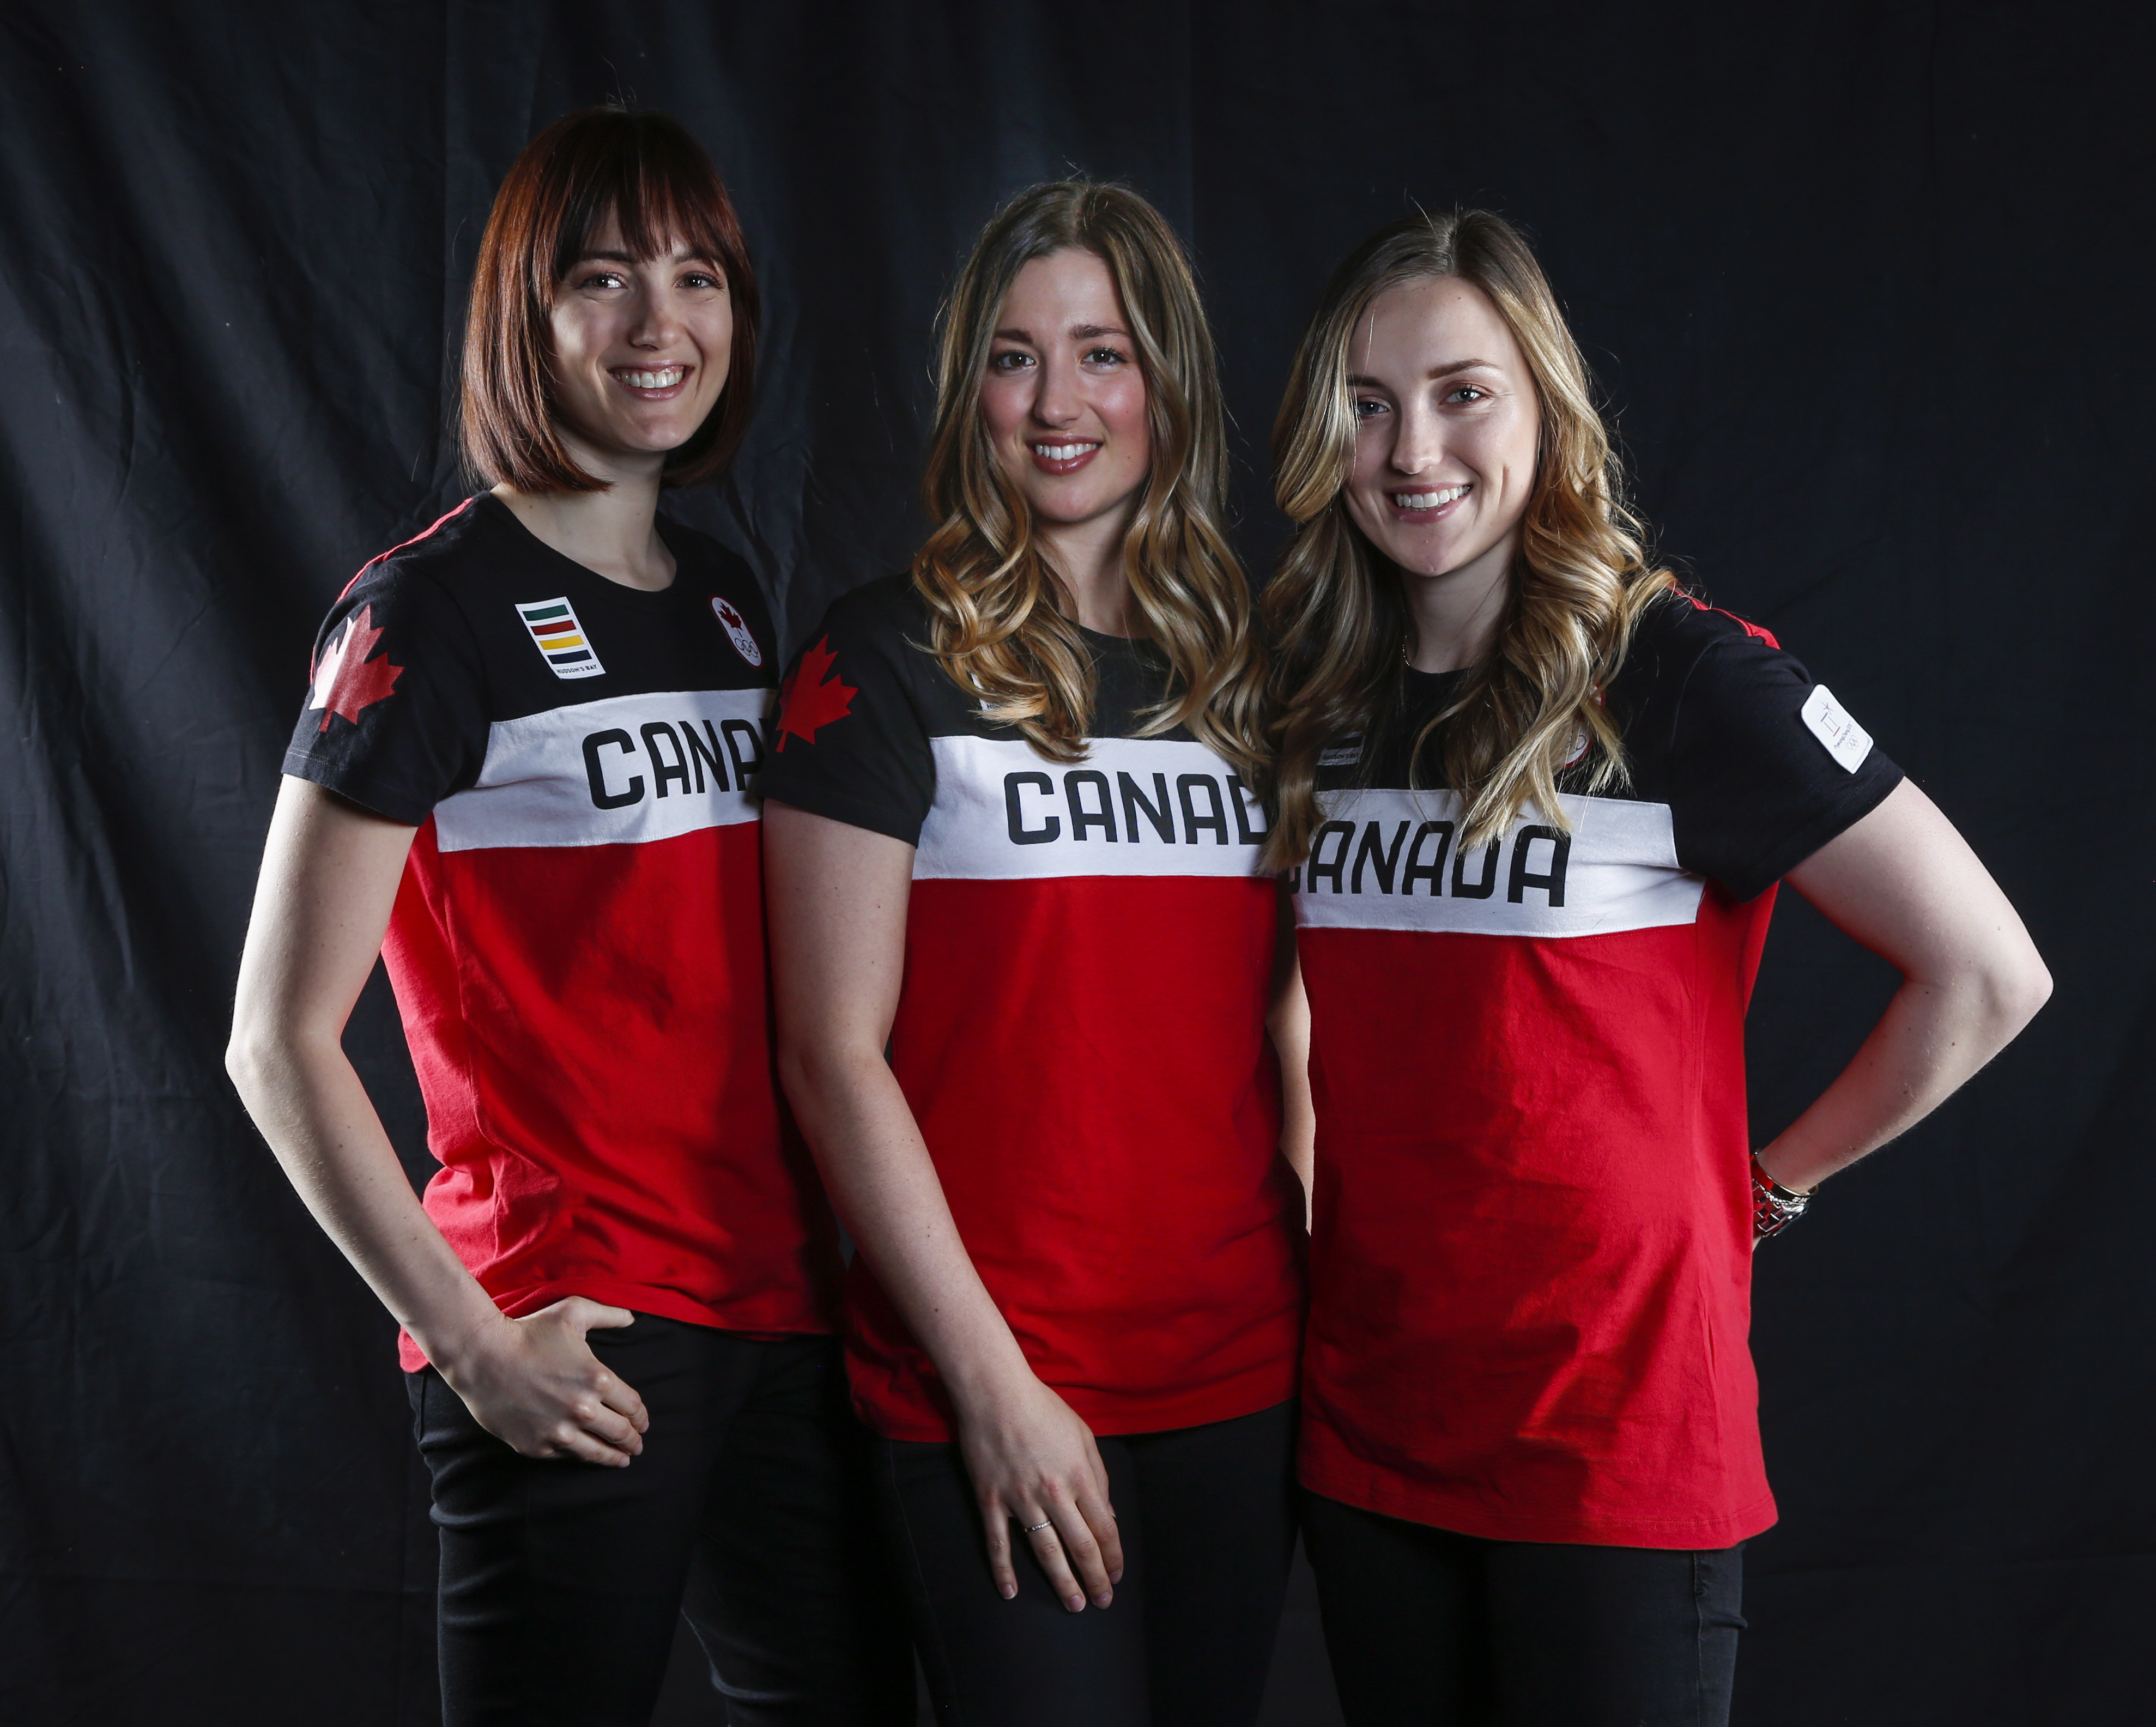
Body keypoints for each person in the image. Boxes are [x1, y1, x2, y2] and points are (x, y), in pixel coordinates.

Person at [1258, 209, 2051, 1727]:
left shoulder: (1678, 673)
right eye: (1367, 402)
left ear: (1544, 408)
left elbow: (1987, 970)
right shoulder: (1321, 696)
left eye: (1461, 390)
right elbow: (1302, 1002)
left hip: (1612, 1441)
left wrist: (1769, 1186)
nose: (1411, 444)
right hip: (1372, 1429)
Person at [226, 107, 909, 1727]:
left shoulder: (728, 590)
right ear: (523, 317)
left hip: (783, 1306)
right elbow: (275, 1037)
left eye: (696, 277)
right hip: (577, 1323)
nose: (658, 324)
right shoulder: (427, 610)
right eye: (602, 280)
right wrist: (469, 1342)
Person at [760, 180, 1308, 1727]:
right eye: (1013, 358)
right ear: (969, 394)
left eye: (1103, 353)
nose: (1057, 402)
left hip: (1238, 1374)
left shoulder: (1258, 673)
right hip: (992, 1375)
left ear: (1169, 388)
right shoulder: (880, 657)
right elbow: (828, 1053)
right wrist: (994, 1389)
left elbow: (1286, 1032)